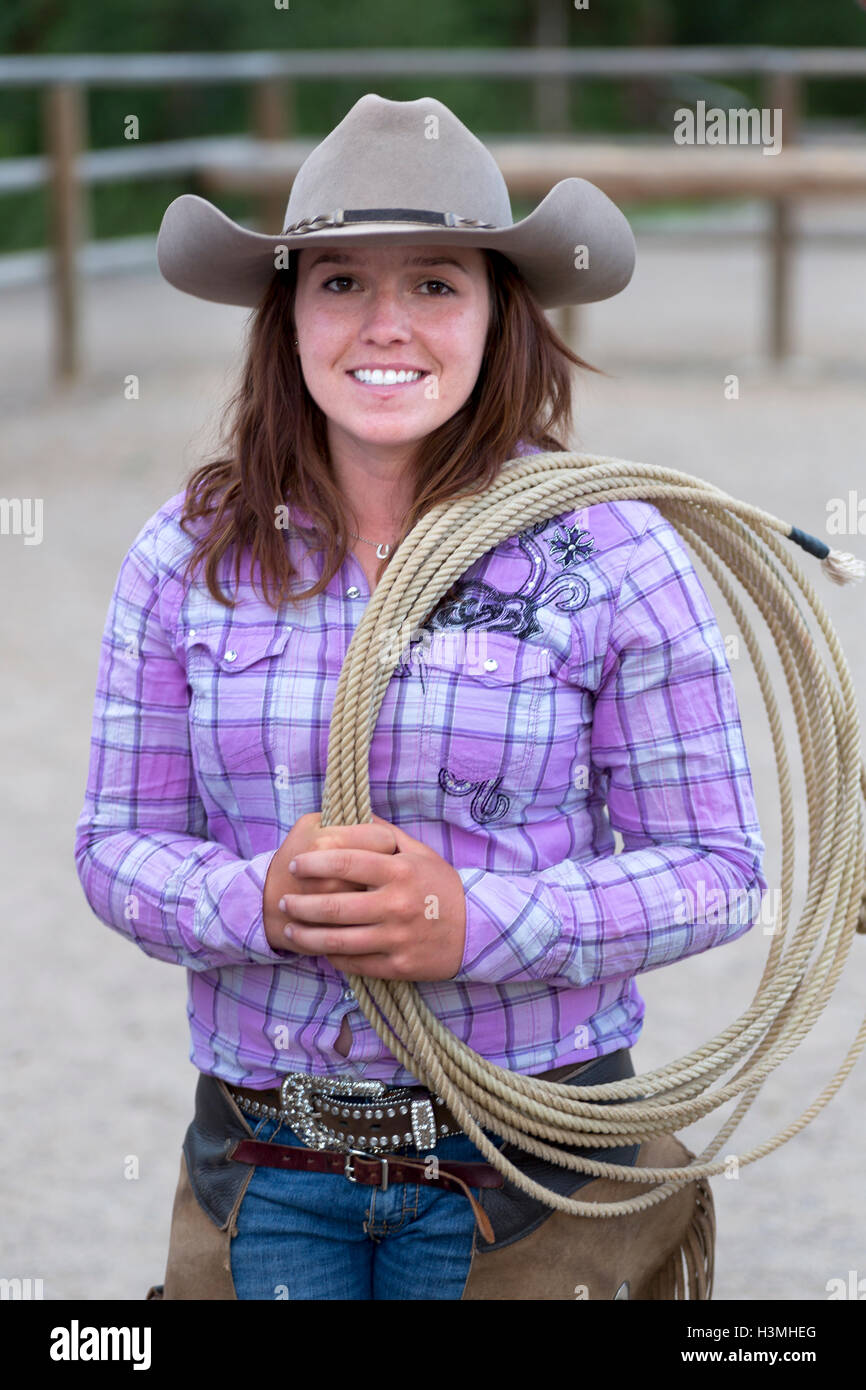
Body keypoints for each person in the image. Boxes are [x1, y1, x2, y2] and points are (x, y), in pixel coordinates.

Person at [74, 94, 768, 1301]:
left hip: (535, 1157)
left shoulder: (609, 547)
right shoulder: (186, 554)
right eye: (339, 281)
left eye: (436, 283)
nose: (384, 324)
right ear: (286, 313)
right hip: (268, 1152)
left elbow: (717, 866)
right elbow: (111, 847)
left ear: (500, 314)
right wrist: (258, 901)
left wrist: (473, 925)